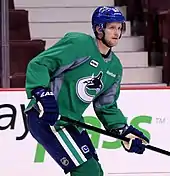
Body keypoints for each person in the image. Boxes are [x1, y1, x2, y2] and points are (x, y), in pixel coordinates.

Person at [25, 6, 149, 176]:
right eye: (112, 27)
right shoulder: (79, 44)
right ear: (99, 29)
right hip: (46, 118)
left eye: (119, 28)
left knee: (95, 171)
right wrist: (41, 93)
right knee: (87, 171)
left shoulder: (115, 67)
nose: (117, 33)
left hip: (71, 122)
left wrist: (123, 131)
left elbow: (106, 106)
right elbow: (39, 64)